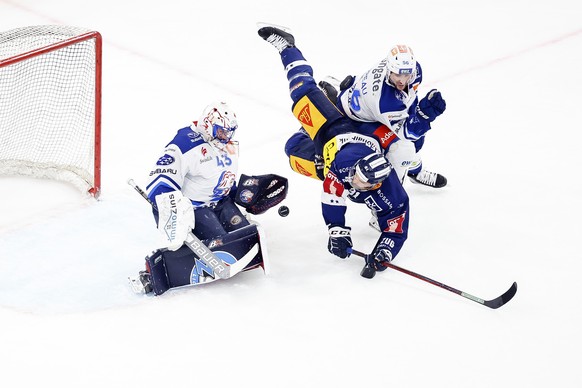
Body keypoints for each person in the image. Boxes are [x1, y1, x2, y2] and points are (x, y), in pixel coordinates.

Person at [258, 26, 410, 275]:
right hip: (336, 129)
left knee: (293, 152)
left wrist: (384, 252)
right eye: (357, 175)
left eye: (361, 181)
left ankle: (318, 116)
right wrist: (337, 229)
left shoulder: (393, 193)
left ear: (377, 183)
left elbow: (396, 228)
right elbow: (331, 196)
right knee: (301, 92)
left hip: (338, 153)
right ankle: (289, 48)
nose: (356, 180)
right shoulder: (346, 167)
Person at [130, 101, 288, 295]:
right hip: (197, 209)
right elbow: (159, 180)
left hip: (223, 203)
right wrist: (173, 210)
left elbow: (221, 176)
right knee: (222, 243)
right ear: (207, 125)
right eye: (222, 131)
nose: (227, 136)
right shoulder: (184, 144)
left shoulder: (226, 144)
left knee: (244, 235)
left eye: (230, 132)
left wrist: (243, 194)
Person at [332, 43, 448, 188]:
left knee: (416, 140)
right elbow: (405, 134)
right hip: (359, 119)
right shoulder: (385, 102)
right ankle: (395, 190)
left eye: (406, 75)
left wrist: (417, 117)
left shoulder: (414, 70)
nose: (402, 80)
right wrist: (423, 117)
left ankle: (414, 172)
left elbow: (409, 96)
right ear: (389, 71)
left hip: (365, 101)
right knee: (402, 150)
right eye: (398, 75)